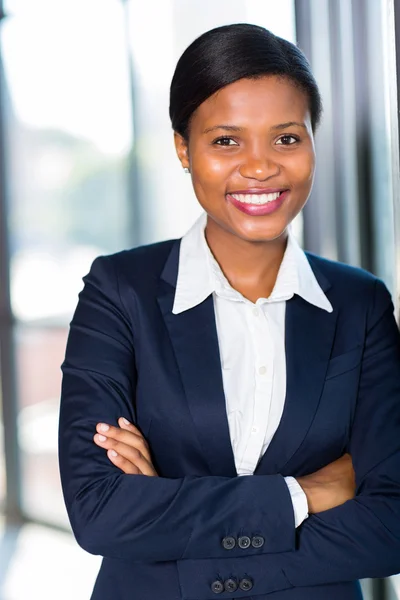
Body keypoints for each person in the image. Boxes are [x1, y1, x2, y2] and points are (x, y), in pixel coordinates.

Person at [58, 23, 400, 600]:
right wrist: (304, 495)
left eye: (287, 138)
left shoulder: (360, 303)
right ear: (183, 149)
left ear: (314, 141)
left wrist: (171, 515)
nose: (261, 166)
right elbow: (100, 511)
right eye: (226, 141)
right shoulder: (120, 291)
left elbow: (391, 524)